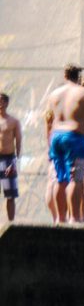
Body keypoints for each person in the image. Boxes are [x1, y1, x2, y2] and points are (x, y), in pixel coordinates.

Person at [45, 63, 84, 223]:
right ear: (78, 76)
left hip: (56, 137)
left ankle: (59, 219)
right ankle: (74, 219)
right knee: (75, 179)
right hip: (75, 137)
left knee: (59, 179)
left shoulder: (54, 94)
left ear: (65, 76)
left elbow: (50, 115)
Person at [0, 93, 23, 224]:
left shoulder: (13, 121)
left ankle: (11, 223)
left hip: (9, 159)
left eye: (2, 101)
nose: (0, 104)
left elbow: (18, 140)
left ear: (7, 103)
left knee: (10, 193)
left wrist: (17, 159)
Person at [42, 108, 58, 223]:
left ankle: (55, 218)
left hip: (54, 155)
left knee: (51, 185)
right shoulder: (64, 118)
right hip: (61, 155)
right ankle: (58, 218)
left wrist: (49, 151)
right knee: (56, 186)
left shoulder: (49, 116)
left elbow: (48, 138)